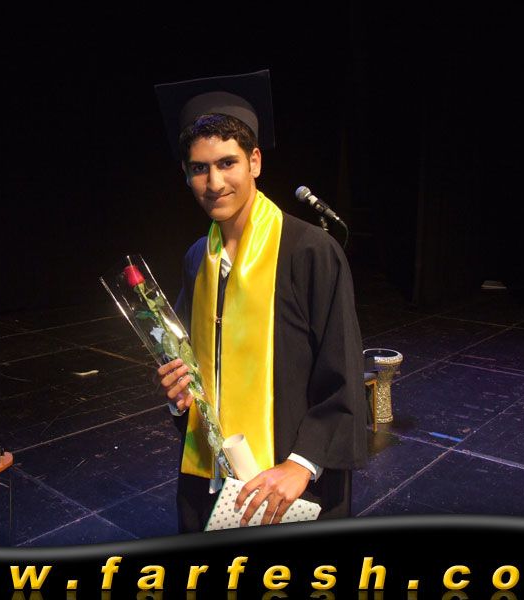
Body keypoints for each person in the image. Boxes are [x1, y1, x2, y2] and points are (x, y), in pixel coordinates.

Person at [153, 70, 366, 533]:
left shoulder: (310, 251)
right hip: (211, 482)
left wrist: (302, 464)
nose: (214, 182)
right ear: (186, 174)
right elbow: (193, 366)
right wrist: (179, 395)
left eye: (227, 163)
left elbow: (343, 370)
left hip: (288, 484)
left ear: (254, 161)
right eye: (199, 168)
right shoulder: (197, 259)